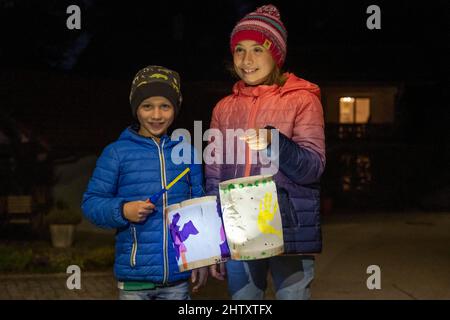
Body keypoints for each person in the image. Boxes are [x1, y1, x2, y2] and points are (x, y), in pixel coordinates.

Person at [205, 5, 326, 300]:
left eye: (258, 49)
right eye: (239, 50)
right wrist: (215, 239)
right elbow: (213, 176)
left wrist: (276, 142)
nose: (247, 60)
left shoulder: (303, 100)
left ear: (276, 55)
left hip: (289, 227)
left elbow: (313, 167)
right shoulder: (224, 107)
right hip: (239, 230)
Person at [82, 65, 207, 300]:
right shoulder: (116, 153)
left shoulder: (188, 153)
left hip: (178, 281)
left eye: (165, 106)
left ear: (176, 109)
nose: (157, 115)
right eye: (147, 106)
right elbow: (90, 204)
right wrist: (122, 210)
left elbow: (198, 210)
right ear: (135, 108)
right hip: (134, 282)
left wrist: (202, 258)